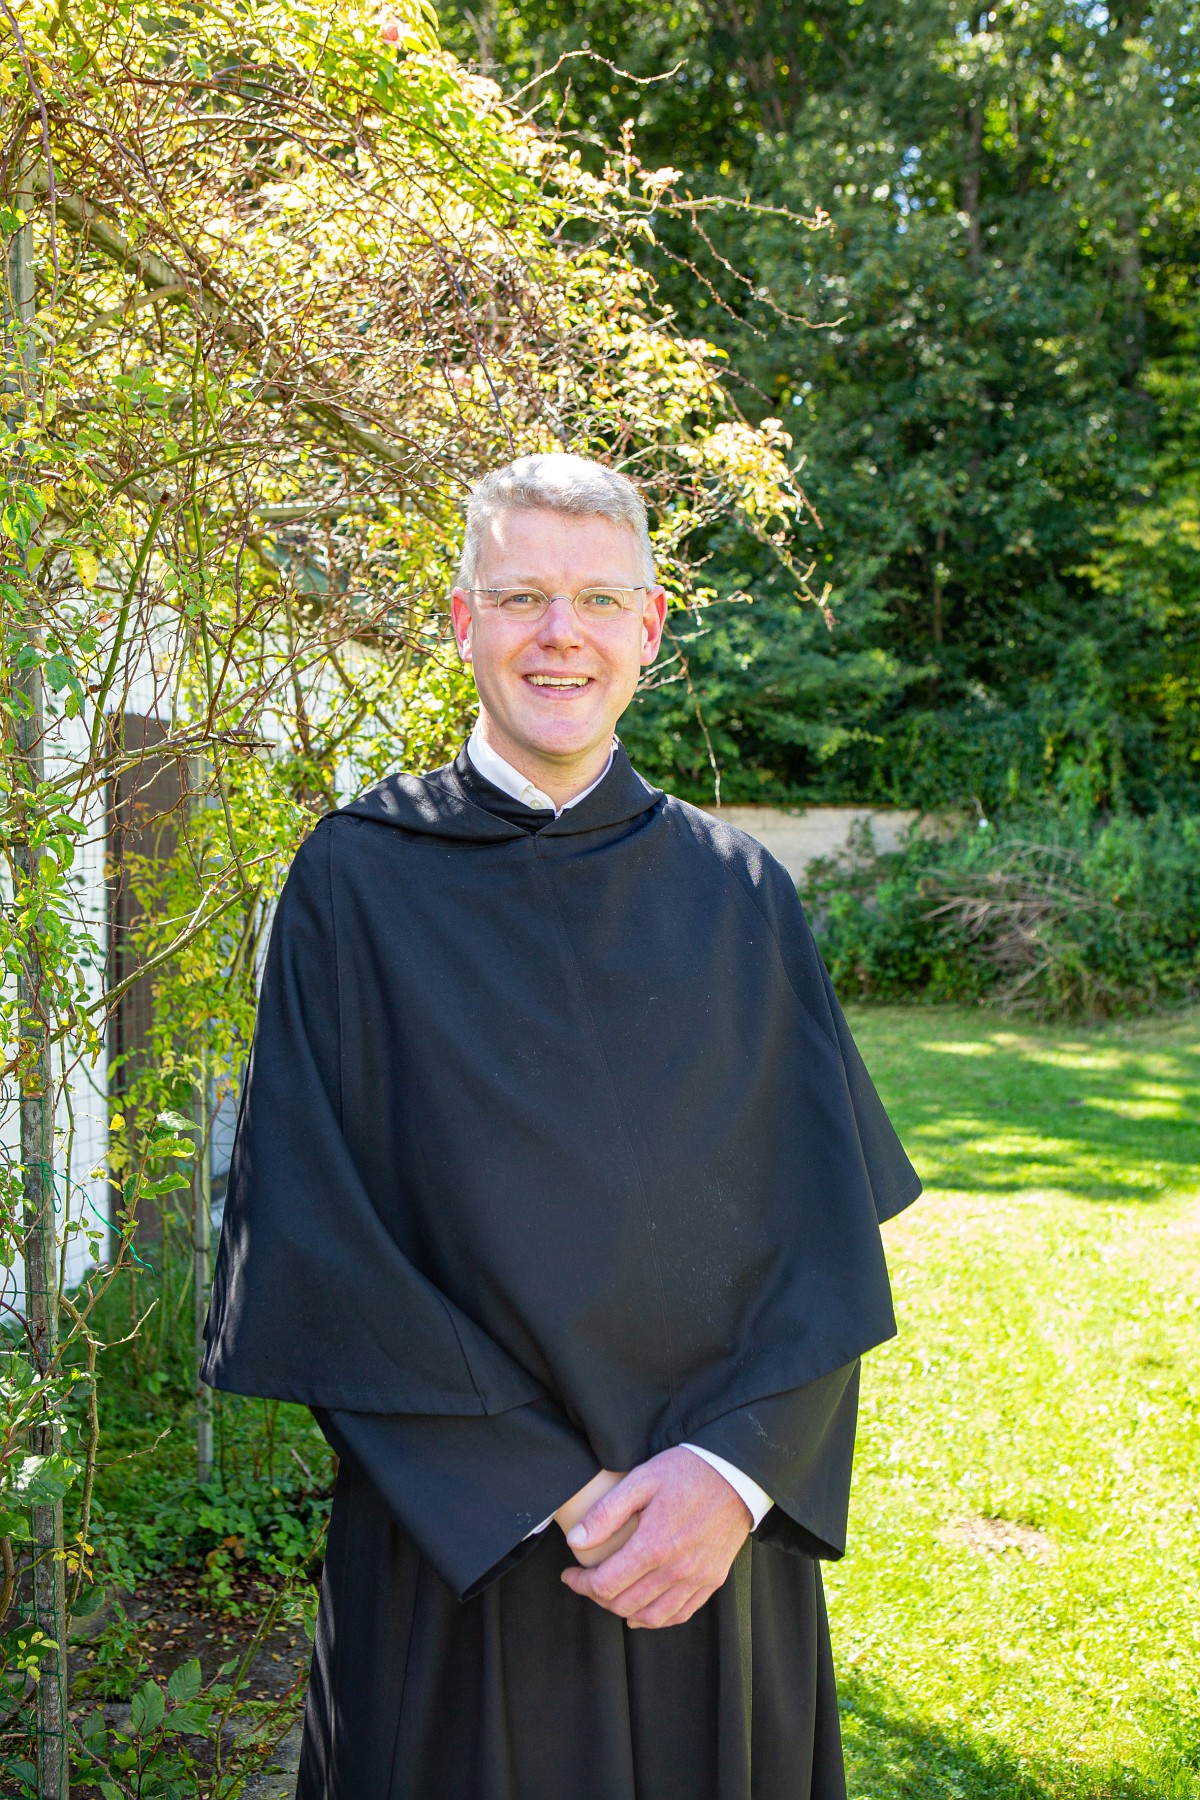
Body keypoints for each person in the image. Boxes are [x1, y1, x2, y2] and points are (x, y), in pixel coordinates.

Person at [202, 453, 921, 1800]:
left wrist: (731, 1480)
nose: (559, 635)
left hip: (710, 1561)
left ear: (648, 627)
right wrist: (553, 1491)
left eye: (596, 600)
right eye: (520, 595)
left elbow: (824, 1239)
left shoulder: (740, 892)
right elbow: (313, 1235)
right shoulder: (355, 881)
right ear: (462, 622)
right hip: (463, 1553)